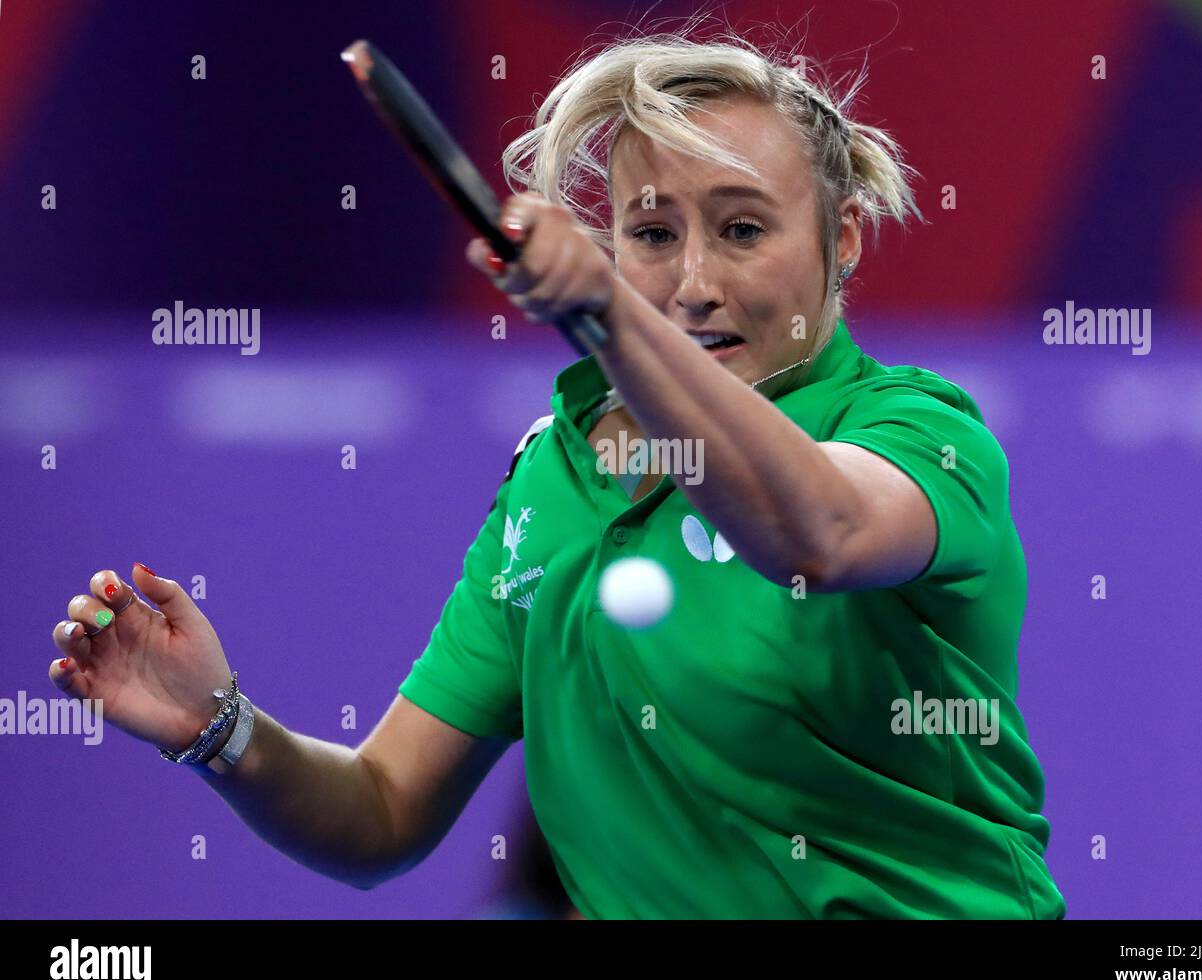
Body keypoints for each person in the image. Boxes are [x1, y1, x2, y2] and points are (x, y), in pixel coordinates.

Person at [47, 28, 1066, 919]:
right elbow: (384, 811)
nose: (695, 283)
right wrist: (225, 732)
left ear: (841, 239)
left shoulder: (922, 433)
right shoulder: (553, 478)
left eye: (744, 228)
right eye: (653, 234)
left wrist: (614, 320)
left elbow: (819, 534)